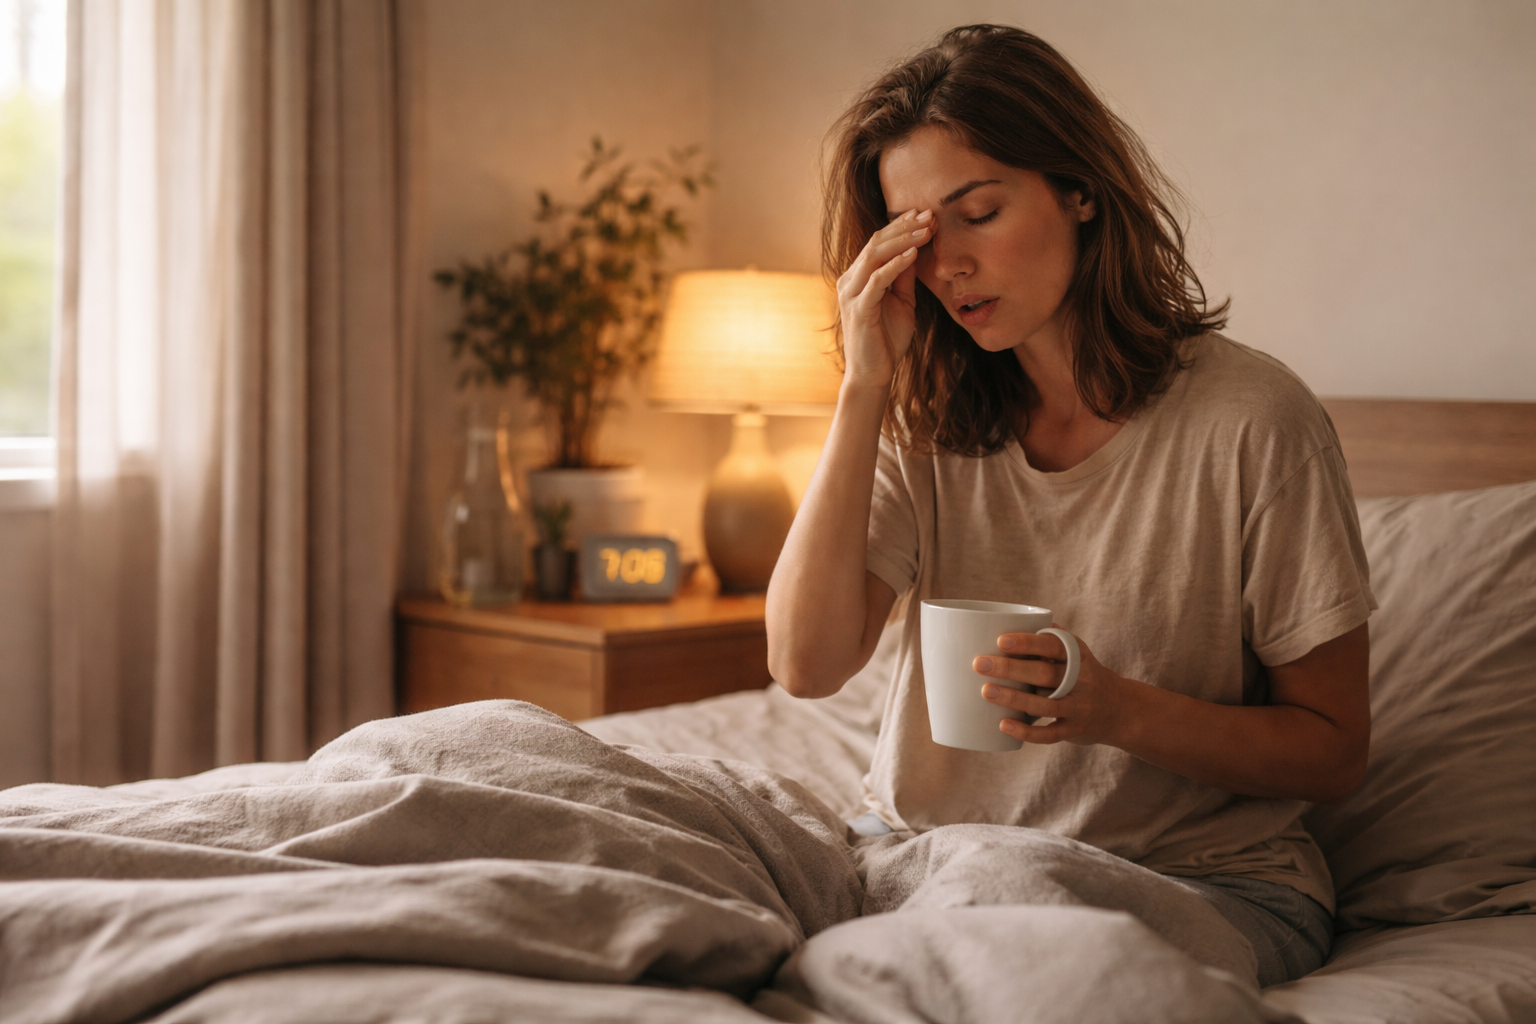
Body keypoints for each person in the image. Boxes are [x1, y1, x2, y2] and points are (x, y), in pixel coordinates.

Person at [764, 24, 1375, 987]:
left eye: (978, 213)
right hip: (915, 857)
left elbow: (1335, 751)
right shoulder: (923, 421)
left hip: (1197, 883)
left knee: (993, 904)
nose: (946, 265)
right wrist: (862, 389)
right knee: (568, 782)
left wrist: (1113, 709)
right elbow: (803, 663)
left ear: (1080, 190)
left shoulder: (1255, 421)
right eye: (918, 235)